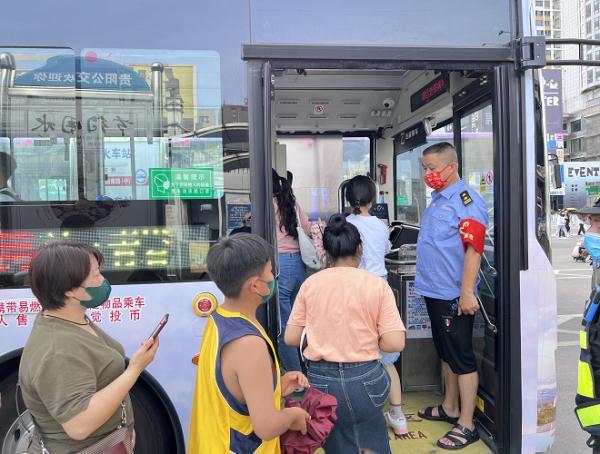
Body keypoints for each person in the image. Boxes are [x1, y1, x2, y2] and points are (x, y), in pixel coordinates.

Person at [18, 240, 159, 453]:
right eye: (96, 274)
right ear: (70, 290)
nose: (103, 280)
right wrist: (135, 369)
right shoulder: (58, 350)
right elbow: (79, 425)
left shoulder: (71, 319)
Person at [285, 214, 406, 454]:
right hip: (367, 383)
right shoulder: (376, 284)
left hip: (321, 384)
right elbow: (395, 343)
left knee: (337, 442)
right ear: (360, 248)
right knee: (372, 437)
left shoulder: (311, 284)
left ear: (327, 252)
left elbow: (290, 338)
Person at [188, 233, 310, 453]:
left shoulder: (218, 319)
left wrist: (275, 387)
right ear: (255, 286)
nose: (273, 277)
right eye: (270, 271)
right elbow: (266, 427)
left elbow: (233, 387)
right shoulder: (249, 344)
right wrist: (293, 415)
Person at [415, 142, 488, 450]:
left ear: (451, 166)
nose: (428, 174)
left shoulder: (465, 201)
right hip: (433, 290)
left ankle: (467, 424)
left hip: (453, 294)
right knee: (446, 353)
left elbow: (474, 249)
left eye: (432, 168)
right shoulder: (437, 200)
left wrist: (467, 292)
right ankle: (450, 406)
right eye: (425, 169)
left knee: (461, 358)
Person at [345, 174, 407, 436]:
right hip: (380, 289)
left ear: (348, 199)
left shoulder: (345, 225)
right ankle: (398, 416)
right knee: (387, 360)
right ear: (372, 200)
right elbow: (383, 252)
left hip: (353, 290)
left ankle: (362, 416)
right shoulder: (381, 226)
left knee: (356, 356)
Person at [272, 168, 311, 373]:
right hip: (298, 264)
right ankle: (308, 367)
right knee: (299, 322)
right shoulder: (291, 203)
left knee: (284, 328)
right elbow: (306, 228)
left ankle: (297, 377)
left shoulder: (266, 204)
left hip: (281, 265)